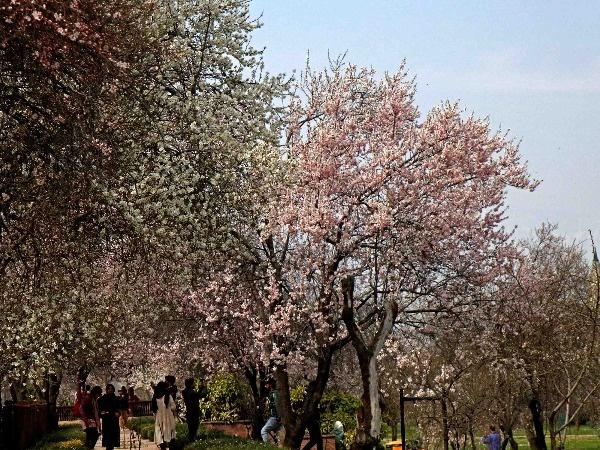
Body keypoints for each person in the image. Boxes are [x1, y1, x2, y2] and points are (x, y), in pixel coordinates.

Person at [153, 381, 177, 450]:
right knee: (170, 430)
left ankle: (162, 445)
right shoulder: (167, 395)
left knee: (160, 430)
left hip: (159, 416)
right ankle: (170, 445)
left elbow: (154, 409)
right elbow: (173, 407)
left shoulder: (155, 396)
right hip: (168, 415)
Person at [98, 384, 121, 450]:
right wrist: (102, 413)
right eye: (109, 388)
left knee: (113, 438)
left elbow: (119, 409)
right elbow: (99, 409)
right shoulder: (103, 399)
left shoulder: (116, 398)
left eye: (111, 388)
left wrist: (118, 413)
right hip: (106, 420)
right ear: (106, 390)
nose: (110, 390)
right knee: (108, 438)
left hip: (114, 420)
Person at [261, 378, 281, 443]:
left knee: (263, 431)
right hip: (273, 417)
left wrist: (279, 417)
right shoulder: (271, 393)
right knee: (277, 435)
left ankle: (267, 447)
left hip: (275, 417)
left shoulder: (275, 393)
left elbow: (277, 404)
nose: (266, 385)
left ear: (271, 385)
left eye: (267, 384)